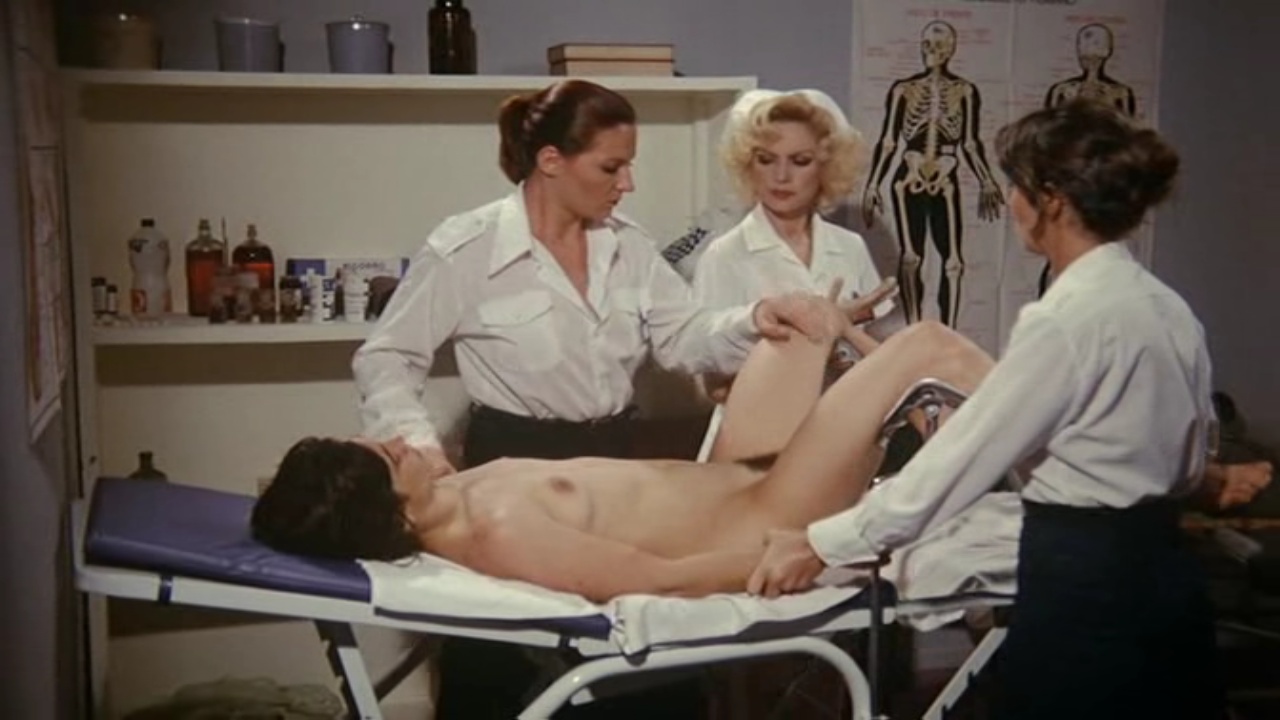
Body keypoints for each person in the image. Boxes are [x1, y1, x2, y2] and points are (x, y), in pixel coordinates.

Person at [347, 77, 835, 720]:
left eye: (629, 165)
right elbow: (385, 356)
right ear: (551, 161)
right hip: (514, 463)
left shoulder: (626, 245)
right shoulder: (468, 247)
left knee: (651, 660)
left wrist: (754, 317)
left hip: (615, 465)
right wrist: (419, 447)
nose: (627, 183)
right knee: (492, 672)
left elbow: (684, 337)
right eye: (612, 167)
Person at [749, 98, 1227, 719]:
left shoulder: (1065, 320)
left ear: (1052, 200)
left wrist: (824, 543)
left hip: (1087, 583)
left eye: (1017, 187)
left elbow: (960, 459)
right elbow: (1196, 455)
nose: (1010, 203)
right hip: (1169, 574)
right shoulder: (1166, 306)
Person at [257, 314, 996, 600]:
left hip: (738, 475)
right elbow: (655, 580)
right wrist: (805, 552)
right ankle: (1058, 459)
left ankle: (917, 412)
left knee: (797, 329)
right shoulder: (498, 532)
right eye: (390, 458)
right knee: (926, 345)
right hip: (771, 511)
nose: (399, 440)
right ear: (395, 514)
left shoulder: (453, 491)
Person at [694, 88, 898, 400]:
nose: (781, 176)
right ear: (748, 165)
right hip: (758, 425)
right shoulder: (725, 256)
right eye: (766, 160)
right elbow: (715, 387)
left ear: (826, 167)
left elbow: (877, 361)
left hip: (844, 419)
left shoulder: (850, 247)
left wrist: (846, 349)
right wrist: (812, 346)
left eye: (800, 161)